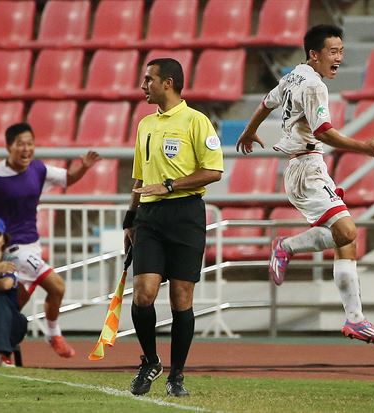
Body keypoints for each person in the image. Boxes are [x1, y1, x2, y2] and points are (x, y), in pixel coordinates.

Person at [236, 24, 374, 346]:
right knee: (347, 231)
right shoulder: (313, 86)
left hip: (308, 166)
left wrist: (250, 131)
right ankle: (286, 247)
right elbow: (322, 131)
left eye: (342, 51)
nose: (339, 58)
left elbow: (267, 102)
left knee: (345, 239)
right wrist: (363, 147)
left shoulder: (294, 75)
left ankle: (355, 319)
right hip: (306, 169)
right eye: (333, 52)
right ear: (314, 54)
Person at [123, 58, 223, 397]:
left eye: (147, 79)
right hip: (149, 217)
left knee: (182, 299)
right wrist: (130, 217)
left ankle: (176, 375)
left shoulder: (197, 121)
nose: (143, 86)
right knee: (143, 293)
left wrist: (169, 185)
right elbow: (139, 175)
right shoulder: (145, 124)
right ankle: (150, 360)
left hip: (186, 214)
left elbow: (213, 171)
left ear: (168, 82)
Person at [0, 122, 100, 358]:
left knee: (13, 304)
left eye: (30, 144)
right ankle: (53, 334)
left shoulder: (38, 170)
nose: (26, 149)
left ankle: (2, 349)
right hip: (13, 249)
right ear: (9, 147)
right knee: (57, 285)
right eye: (21, 144)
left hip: (33, 247)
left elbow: (67, 179)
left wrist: (84, 168)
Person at [0, 216, 28, 367]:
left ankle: (1, 354)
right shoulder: (0, 265)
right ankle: (0, 355)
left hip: (10, 323)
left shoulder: (11, 259)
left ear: (4, 239)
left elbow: (6, 285)